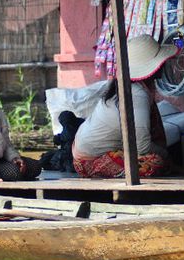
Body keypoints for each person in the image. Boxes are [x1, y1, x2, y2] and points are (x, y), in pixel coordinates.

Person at [72, 34, 177, 179]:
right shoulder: (137, 94)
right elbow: (142, 148)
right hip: (91, 161)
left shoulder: (129, 88)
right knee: (157, 162)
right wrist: (165, 154)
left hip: (84, 155)